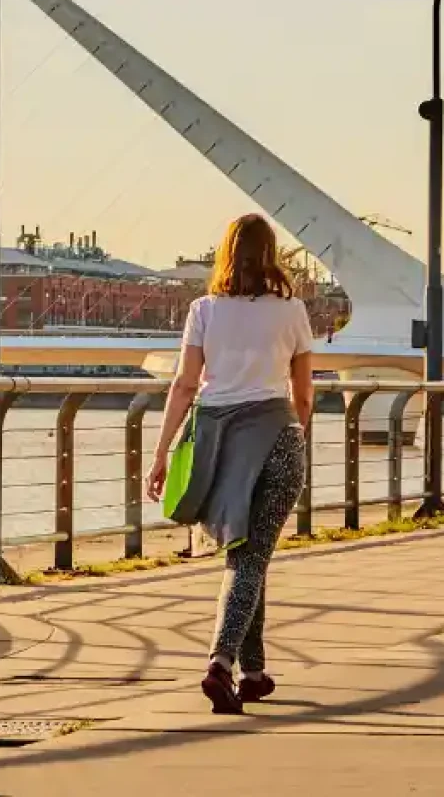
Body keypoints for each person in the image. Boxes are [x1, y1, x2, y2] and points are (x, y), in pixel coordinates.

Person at [146, 214, 314, 714]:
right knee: (251, 555)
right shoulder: (293, 311)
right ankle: (221, 662)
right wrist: (294, 437)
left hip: (219, 440)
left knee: (248, 553)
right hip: (278, 438)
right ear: (272, 256)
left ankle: (254, 672)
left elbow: (183, 385)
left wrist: (161, 454)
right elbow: (303, 394)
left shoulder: (204, 310)